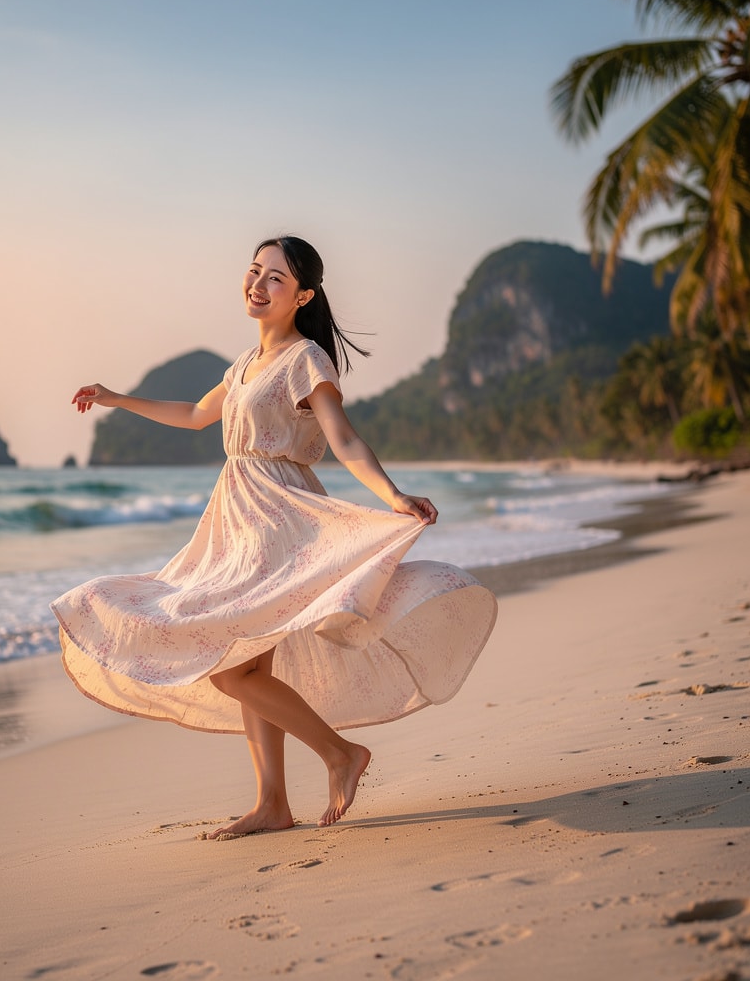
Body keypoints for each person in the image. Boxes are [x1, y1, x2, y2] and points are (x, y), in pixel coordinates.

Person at [51, 236, 497, 838]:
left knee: (231, 669)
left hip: (277, 518)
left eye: (275, 279)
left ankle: (340, 755)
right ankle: (272, 805)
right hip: (235, 520)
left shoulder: (305, 358)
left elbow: (341, 438)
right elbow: (192, 415)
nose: (257, 285)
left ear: (303, 296)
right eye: (254, 271)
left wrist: (392, 496)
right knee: (242, 663)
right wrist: (113, 399)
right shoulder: (244, 365)